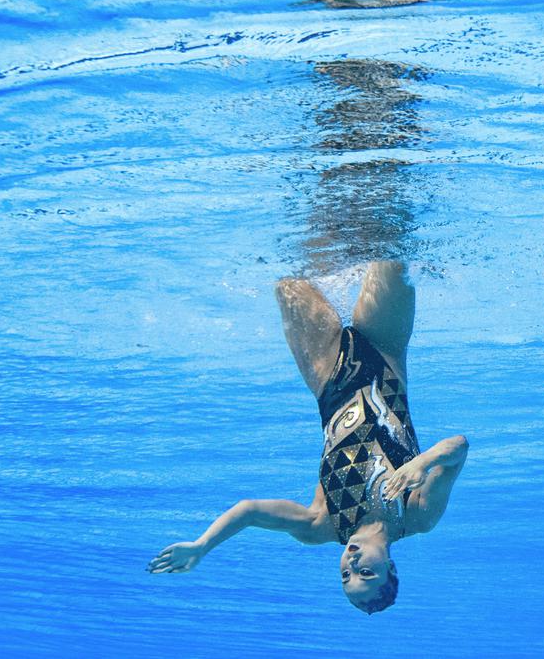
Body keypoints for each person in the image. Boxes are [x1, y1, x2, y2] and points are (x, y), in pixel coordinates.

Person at [147, 261, 468, 614]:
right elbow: (459, 448)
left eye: (345, 576)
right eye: (365, 572)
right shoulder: (418, 516)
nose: (352, 563)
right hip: (385, 351)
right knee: (390, 254)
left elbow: (250, 511)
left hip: (326, 373)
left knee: (289, 273)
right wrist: (425, 462)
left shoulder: (321, 524)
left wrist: (202, 545)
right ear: (390, 567)